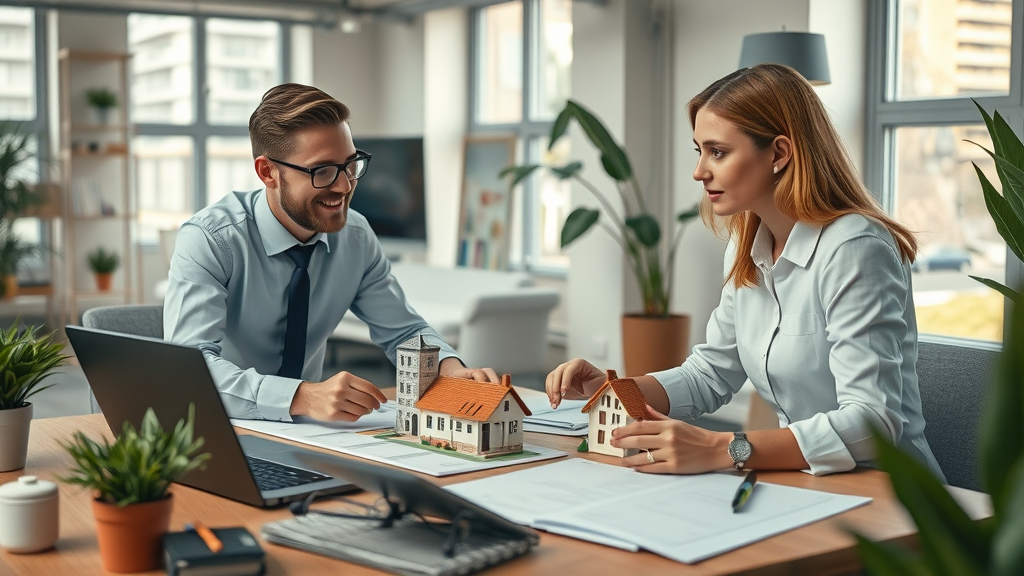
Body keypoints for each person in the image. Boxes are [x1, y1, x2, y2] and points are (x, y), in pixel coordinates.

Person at [546, 64, 945, 480]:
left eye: (717, 152)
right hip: (801, 480)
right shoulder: (746, 243)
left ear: (778, 153)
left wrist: (723, 447)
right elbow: (709, 374)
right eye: (699, 150)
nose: (700, 171)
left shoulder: (855, 247)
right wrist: (613, 391)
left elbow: (871, 423)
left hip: (891, 493)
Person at [165, 83, 499, 423]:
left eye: (350, 164)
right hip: (220, 425)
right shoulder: (210, 239)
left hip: (310, 431)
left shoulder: (355, 237)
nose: (344, 186)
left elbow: (403, 332)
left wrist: (449, 367)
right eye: (321, 171)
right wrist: (301, 396)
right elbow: (187, 369)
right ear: (268, 172)